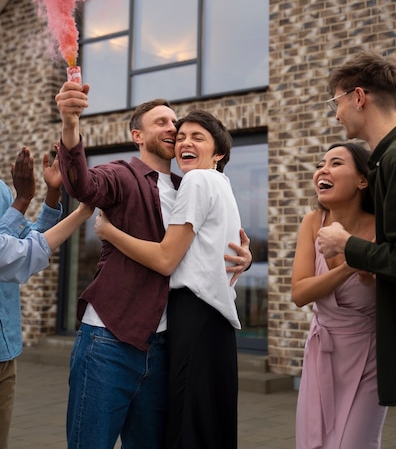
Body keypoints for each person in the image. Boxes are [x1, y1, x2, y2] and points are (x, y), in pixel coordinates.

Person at [55, 81, 251, 449]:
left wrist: (244, 257)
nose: (173, 129)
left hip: (164, 345)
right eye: (162, 122)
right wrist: (70, 125)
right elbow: (83, 184)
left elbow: (201, 248)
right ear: (137, 135)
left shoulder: (190, 183)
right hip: (108, 340)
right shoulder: (121, 175)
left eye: (175, 122)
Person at [94, 109, 242, 449]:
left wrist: (108, 231)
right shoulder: (222, 185)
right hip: (216, 323)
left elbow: (164, 260)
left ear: (218, 154)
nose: (185, 143)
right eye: (182, 137)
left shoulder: (196, 180)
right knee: (211, 426)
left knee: (186, 430)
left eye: (198, 138)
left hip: (194, 314)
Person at [316, 50, 396, 448]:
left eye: (335, 101)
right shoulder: (392, 157)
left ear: (359, 97)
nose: (335, 113)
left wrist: (347, 245)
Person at [292, 142, 387, 448]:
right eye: (321, 164)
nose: (323, 169)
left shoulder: (382, 229)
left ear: (363, 180)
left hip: (369, 355)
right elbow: (300, 292)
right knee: (314, 442)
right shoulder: (312, 222)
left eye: (335, 163)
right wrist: (351, 263)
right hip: (321, 352)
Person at [0, 145, 62, 449]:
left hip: (5, 351)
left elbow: (26, 250)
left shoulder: (0, 191)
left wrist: (52, 195)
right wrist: (22, 200)